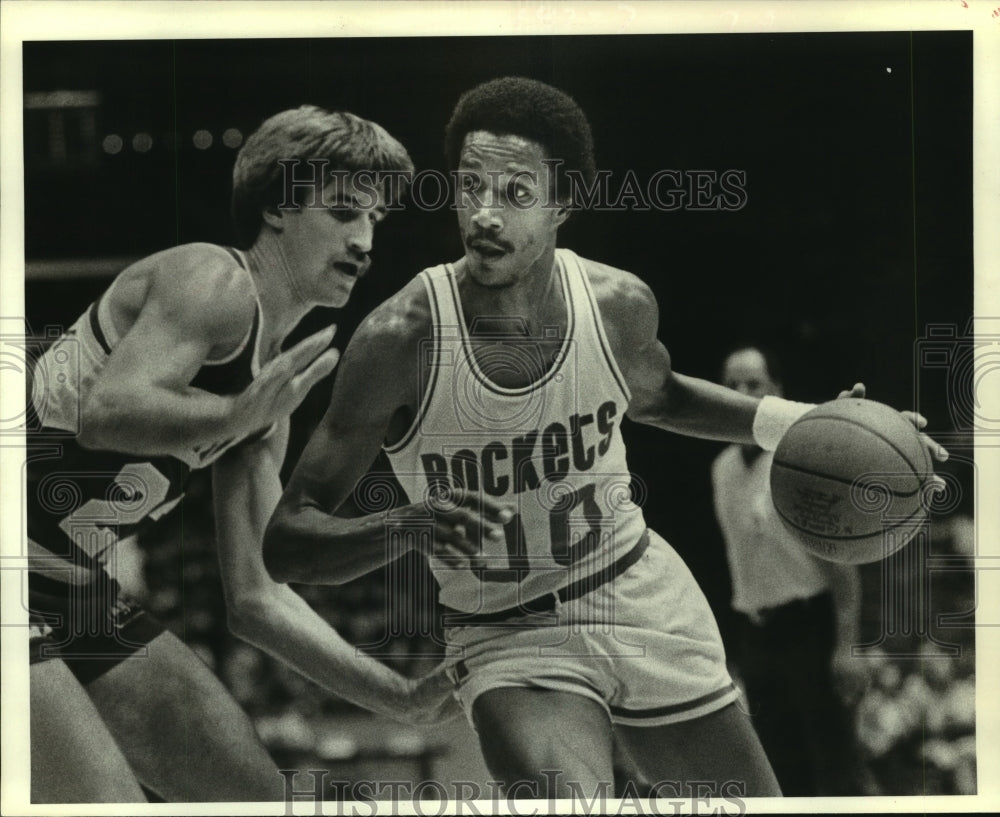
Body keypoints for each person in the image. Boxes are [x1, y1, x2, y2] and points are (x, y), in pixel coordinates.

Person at [264, 78, 947, 798]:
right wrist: (408, 523)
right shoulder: (399, 339)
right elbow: (286, 543)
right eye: (471, 186)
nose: (485, 214)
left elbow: (663, 396)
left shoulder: (617, 306)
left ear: (563, 203)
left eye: (517, 192)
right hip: (508, 630)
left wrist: (809, 423)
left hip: (637, 592)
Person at [26, 105, 455, 804]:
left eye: (375, 219)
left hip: (65, 580)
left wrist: (401, 694)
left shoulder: (267, 399)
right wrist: (234, 412)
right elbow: (108, 414)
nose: (365, 239)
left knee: (251, 794)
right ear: (279, 208)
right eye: (344, 212)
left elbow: (257, 599)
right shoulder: (210, 279)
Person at [711, 344, 870, 795]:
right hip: (757, 635)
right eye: (731, 386)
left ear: (776, 391)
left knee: (836, 771)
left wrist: (847, 646)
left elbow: (839, 561)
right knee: (781, 775)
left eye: (753, 384)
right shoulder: (721, 468)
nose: (741, 393)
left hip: (811, 628)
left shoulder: (797, 461)